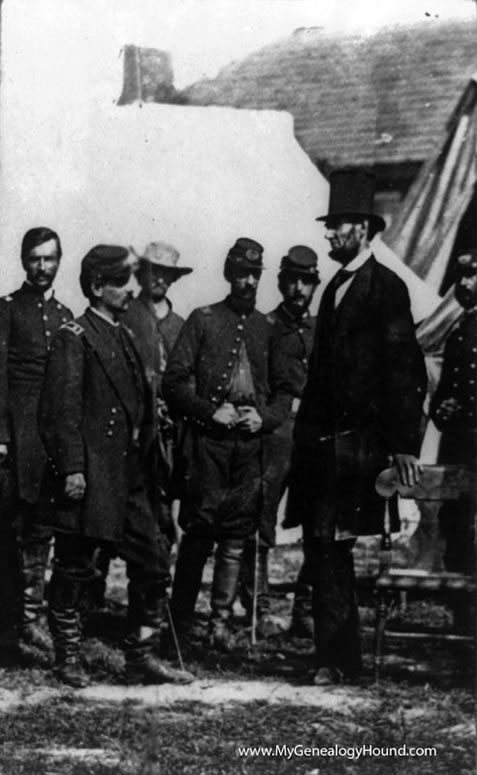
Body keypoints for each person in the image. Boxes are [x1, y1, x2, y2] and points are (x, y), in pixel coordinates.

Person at [286, 169, 427, 685]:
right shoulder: (333, 289)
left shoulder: (385, 289)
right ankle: (337, 657)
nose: (328, 235)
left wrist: (403, 447)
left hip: (359, 448)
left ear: (365, 230)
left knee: (333, 545)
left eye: (338, 226)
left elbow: (406, 372)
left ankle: (336, 660)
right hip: (322, 447)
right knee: (320, 545)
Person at [38, 244, 193, 688]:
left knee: (154, 562)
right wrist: (71, 469)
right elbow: (59, 411)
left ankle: (140, 657)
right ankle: (66, 659)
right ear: (96, 286)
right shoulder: (75, 336)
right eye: (122, 282)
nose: (131, 289)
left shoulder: (123, 335)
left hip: (131, 479)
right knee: (74, 569)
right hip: (91, 478)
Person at [162, 238, 291, 651]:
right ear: (228, 275)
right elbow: (174, 382)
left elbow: (285, 394)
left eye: (254, 274)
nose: (248, 281)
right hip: (208, 447)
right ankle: (180, 625)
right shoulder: (203, 320)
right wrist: (207, 411)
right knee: (199, 534)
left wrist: (264, 417)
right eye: (240, 273)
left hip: (249, 449)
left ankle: (220, 625)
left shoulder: (267, 329)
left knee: (236, 538)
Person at [88, 242, 193, 607]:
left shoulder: (182, 326)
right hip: (126, 434)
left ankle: (146, 608)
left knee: (159, 517)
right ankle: (92, 598)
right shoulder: (126, 315)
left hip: (165, 438)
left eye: (168, 274)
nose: (159, 279)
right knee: (106, 515)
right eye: (153, 272)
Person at [239, 245, 319, 638]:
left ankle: (306, 605)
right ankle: (260, 607)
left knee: (319, 522)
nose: (299, 289)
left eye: (307, 282)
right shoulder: (264, 327)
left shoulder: (322, 328)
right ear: (282, 283)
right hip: (275, 434)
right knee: (261, 520)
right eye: (293, 281)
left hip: (313, 435)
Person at [0, 227, 73, 650]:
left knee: (42, 532)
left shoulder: (65, 317)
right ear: (24, 260)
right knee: (11, 531)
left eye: (49, 258)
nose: (42, 267)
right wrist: (2, 438)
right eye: (35, 259)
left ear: (59, 261)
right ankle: (12, 623)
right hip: (16, 440)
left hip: (49, 446)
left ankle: (31, 619)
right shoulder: (8, 310)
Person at [430, 250, 477, 582]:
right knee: (456, 518)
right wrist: (442, 409)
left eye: (472, 276)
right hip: (458, 442)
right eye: (459, 278)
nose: (464, 284)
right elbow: (445, 387)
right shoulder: (459, 330)